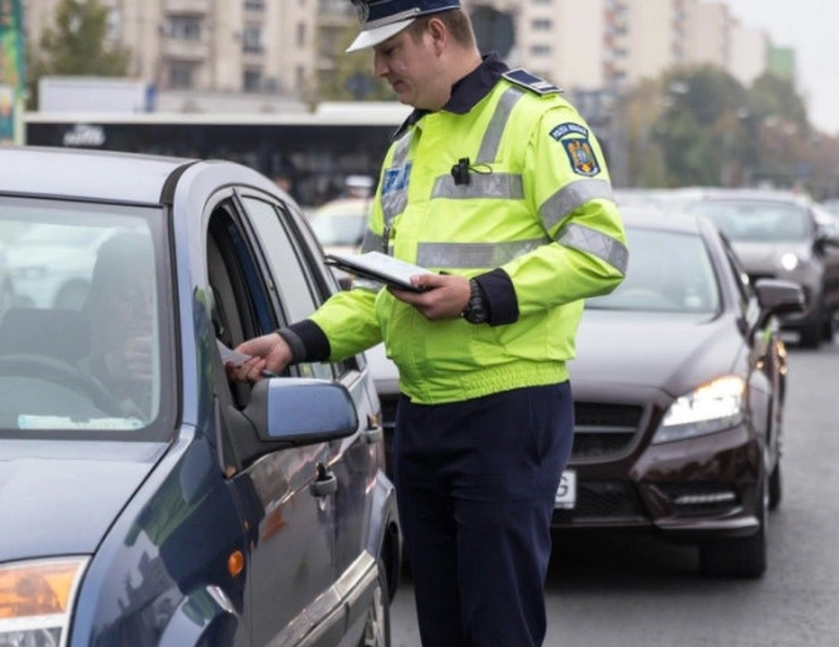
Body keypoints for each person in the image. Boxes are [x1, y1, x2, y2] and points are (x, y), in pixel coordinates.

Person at [226, 1, 628, 645]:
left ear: (437, 34)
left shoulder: (537, 120)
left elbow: (601, 251)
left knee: (498, 629)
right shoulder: (406, 146)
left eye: (390, 51)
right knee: (442, 628)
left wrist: (479, 294)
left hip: (507, 410)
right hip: (422, 417)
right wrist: (293, 341)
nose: (380, 69)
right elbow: (375, 291)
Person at [82, 230, 156, 418]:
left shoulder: (186, 370)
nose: (147, 311)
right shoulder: (55, 372)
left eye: (156, 298)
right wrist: (103, 371)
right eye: (128, 296)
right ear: (93, 305)